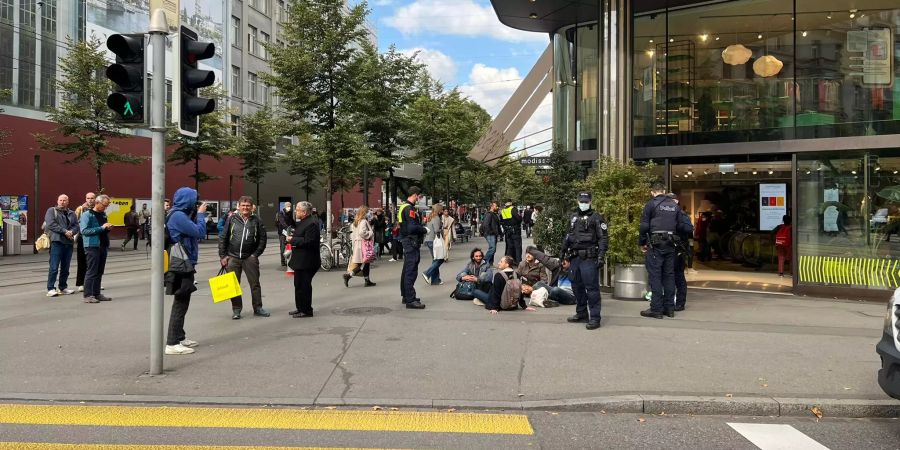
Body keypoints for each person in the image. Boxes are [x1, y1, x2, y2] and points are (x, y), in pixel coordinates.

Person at [163, 187, 208, 355]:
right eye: (194, 200)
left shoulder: (178, 214)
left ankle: (179, 337)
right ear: (187, 200)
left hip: (183, 262)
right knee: (180, 302)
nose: (196, 203)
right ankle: (172, 343)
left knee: (184, 300)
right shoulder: (178, 216)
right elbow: (200, 232)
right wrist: (201, 214)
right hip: (181, 264)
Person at [639, 182, 692, 319]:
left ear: (653, 192)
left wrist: (642, 243)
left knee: (655, 276)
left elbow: (644, 226)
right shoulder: (674, 206)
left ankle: (656, 309)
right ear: (664, 191)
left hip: (656, 245)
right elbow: (681, 226)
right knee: (669, 276)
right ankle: (669, 309)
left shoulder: (651, 204)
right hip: (671, 245)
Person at [562, 192, 608, 330]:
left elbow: (603, 238)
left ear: (590, 201)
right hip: (575, 257)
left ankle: (594, 317)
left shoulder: (597, 217)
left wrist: (601, 256)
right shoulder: (573, 217)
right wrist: (563, 254)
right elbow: (567, 236)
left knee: (592, 288)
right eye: (581, 201)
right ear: (577, 201)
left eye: (586, 201)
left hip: (589, 257)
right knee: (576, 286)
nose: (583, 203)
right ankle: (581, 313)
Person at [219, 196, 269, 320]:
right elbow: (223, 238)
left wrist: (255, 254)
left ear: (252, 207)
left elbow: (263, 239)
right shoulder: (232, 219)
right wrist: (223, 256)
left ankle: (258, 308)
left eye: (248, 205)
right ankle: (236, 309)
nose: (245, 208)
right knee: (234, 285)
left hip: (250, 257)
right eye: (243, 205)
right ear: (239, 206)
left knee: (255, 284)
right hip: (232, 257)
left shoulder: (257, 220)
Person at [288, 201, 321, 318]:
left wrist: (292, 240)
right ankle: (299, 308)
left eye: (297, 209)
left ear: (304, 212)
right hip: (300, 260)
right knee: (298, 285)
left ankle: (307, 310)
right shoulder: (304, 221)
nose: (295, 211)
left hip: (308, 261)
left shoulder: (312, 223)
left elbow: (309, 241)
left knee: (304, 286)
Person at [79, 194, 113, 303]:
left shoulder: (103, 214)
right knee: (92, 271)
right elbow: (84, 231)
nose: (105, 207)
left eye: (107, 206)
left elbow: (103, 229)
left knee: (99, 271)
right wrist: (102, 228)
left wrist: (107, 228)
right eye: (104, 205)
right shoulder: (86, 215)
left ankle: (97, 293)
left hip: (102, 245)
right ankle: (88, 295)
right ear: (97, 203)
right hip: (92, 246)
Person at [398, 187, 427, 309]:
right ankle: (410, 300)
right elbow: (412, 228)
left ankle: (406, 295)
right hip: (411, 241)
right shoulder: (409, 208)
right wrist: (424, 229)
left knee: (406, 270)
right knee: (411, 270)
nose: (419, 199)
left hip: (407, 240)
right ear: (415, 195)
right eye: (419, 197)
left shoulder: (404, 206)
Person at [44, 194, 78, 297]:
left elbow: (76, 225)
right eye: (60, 200)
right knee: (54, 267)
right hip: (57, 242)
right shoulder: (51, 210)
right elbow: (51, 224)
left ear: (68, 202)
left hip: (68, 243)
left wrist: (72, 232)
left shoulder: (72, 213)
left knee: (65, 267)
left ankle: (63, 287)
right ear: (57, 201)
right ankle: (50, 288)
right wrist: (64, 231)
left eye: (64, 200)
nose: (62, 202)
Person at [669, 193, 694, 312]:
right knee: (671, 275)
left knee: (678, 276)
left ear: (676, 201)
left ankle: (680, 303)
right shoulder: (669, 214)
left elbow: (689, 229)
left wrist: (676, 225)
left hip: (678, 249)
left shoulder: (681, 214)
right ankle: (671, 301)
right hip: (670, 248)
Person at [344, 206, 376, 287]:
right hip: (363, 244)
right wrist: (370, 233)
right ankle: (349, 275)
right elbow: (362, 233)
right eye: (368, 211)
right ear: (364, 213)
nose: (369, 213)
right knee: (365, 262)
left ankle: (366, 280)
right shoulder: (363, 221)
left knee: (362, 263)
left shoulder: (355, 221)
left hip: (357, 244)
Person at [74, 192, 96, 292]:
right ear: (85, 199)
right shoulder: (80, 209)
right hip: (83, 237)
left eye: (92, 198)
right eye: (88, 198)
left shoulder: (98, 208)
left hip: (95, 237)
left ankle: (95, 283)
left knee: (95, 262)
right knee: (82, 260)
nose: (90, 200)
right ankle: (81, 283)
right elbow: (74, 221)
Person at [422, 203, 445, 286]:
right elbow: (436, 230)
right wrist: (442, 227)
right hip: (434, 241)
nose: (442, 211)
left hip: (429, 240)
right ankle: (427, 273)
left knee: (435, 260)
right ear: (439, 210)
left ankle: (435, 280)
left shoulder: (430, 217)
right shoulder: (436, 218)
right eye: (441, 209)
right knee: (440, 259)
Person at [275, 202, 295, 269]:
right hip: (282, 233)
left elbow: (292, 221)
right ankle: (283, 261)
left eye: (290, 206)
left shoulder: (290, 213)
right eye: (288, 206)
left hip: (289, 232)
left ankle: (289, 260)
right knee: (283, 247)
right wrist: (287, 228)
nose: (289, 207)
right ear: (285, 206)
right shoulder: (281, 213)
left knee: (290, 246)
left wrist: (296, 226)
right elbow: (282, 222)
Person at [481, 201, 501, 266]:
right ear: (492, 206)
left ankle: (490, 263)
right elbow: (486, 225)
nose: (497, 207)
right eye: (496, 206)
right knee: (492, 248)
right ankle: (484, 261)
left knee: (493, 249)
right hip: (490, 234)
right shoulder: (489, 214)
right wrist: (491, 232)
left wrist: (500, 233)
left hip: (493, 234)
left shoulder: (494, 214)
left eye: (497, 206)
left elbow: (497, 225)